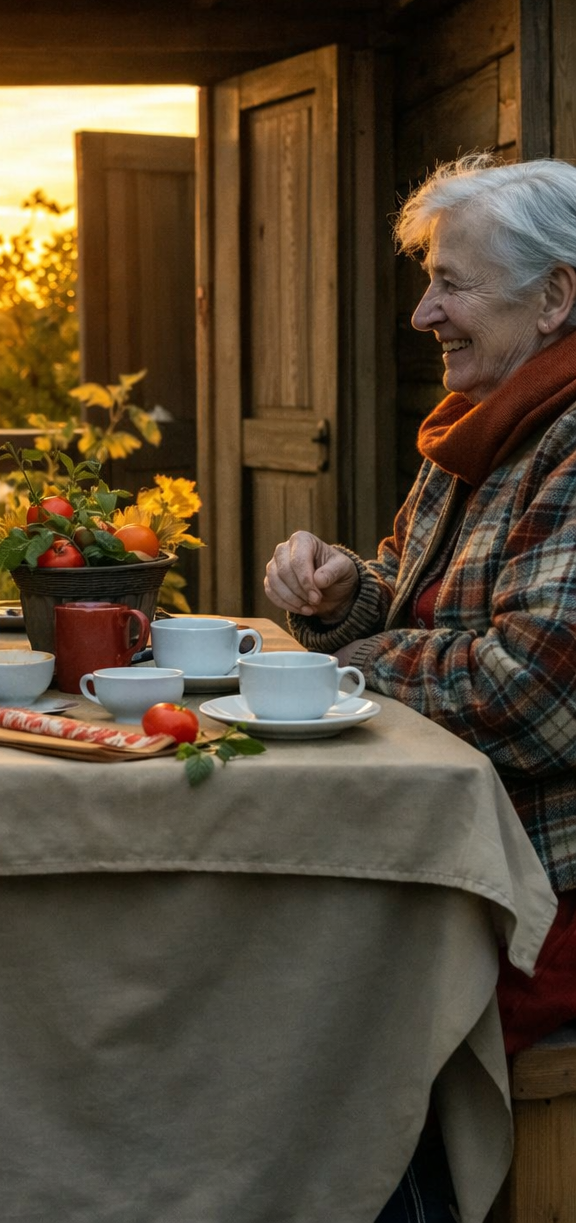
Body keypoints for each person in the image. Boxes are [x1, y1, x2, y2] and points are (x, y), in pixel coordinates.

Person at [265, 153, 576, 1221]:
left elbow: (530, 691)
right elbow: (414, 601)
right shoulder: (477, 425)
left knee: (318, 1018)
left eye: (451, 283)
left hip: (542, 893)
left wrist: (334, 663)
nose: (422, 311)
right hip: (451, 856)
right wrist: (344, 592)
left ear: (555, 298)